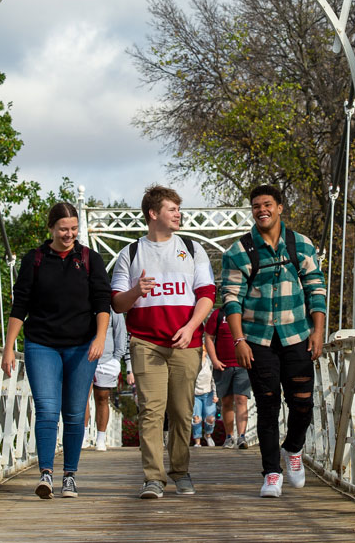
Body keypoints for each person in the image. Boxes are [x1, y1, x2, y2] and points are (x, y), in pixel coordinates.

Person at [219, 185, 327, 498]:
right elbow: (231, 298)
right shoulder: (238, 252)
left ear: (280, 207)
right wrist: (239, 340)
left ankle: (293, 448)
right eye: (255, 206)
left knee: (303, 403)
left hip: (297, 336)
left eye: (267, 204)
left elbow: (316, 290)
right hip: (258, 340)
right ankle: (271, 473)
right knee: (267, 407)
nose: (261, 210)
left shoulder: (301, 245)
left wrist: (318, 332)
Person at [111, 185, 215, 499]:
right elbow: (117, 303)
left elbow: (207, 295)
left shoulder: (193, 248)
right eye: (172, 209)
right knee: (151, 411)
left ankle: (181, 472)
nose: (178, 215)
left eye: (178, 210)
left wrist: (191, 327)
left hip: (186, 343)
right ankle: (153, 478)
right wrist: (136, 292)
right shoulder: (129, 254)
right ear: (153, 214)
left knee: (183, 412)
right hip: (146, 342)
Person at [2, 202, 110, 500]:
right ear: (50, 228)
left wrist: (100, 338)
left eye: (74, 229)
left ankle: (70, 476)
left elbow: (103, 302)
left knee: (75, 414)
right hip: (42, 344)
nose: (69, 234)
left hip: (82, 346)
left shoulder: (90, 258)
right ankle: (46, 474)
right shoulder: (34, 259)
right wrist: (8, 347)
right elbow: (19, 305)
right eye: (63, 229)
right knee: (47, 410)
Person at [204, 307, 250, 449]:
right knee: (227, 401)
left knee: (241, 399)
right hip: (223, 366)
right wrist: (214, 360)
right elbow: (209, 337)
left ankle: (242, 437)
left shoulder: (247, 311)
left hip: (243, 364)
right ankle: (229, 436)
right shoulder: (218, 314)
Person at [88, 311, 133, 451]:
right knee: (81, 398)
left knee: (102, 398)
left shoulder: (112, 306)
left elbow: (121, 332)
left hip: (106, 359)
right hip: (83, 357)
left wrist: (116, 358)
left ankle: (101, 438)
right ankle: (83, 435)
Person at [190, 347, 217, 447]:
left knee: (210, 418)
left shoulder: (209, 364)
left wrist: (215, 395)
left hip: (208, 394)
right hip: (195, 395)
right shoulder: (192, 364)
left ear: (206, 352)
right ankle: (197, 442)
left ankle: (208, 435)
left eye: (203, 351)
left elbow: (213, 380)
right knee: (196, 418)